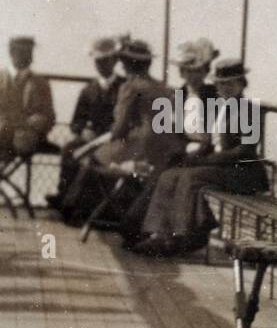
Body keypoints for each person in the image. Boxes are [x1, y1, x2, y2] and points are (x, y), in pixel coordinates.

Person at [128, 56, 268, 256]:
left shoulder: (249, 110)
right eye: (220, 84)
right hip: (220, 167)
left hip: (243, 172)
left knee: (190, 178)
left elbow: (244, 152)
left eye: (230, 83)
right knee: (170, 175)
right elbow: (210, 142)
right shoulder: (219, 107)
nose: (224, 88)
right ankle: (159, 234)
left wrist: (204, 160)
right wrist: (194, 156)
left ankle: (182, 238)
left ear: (241, 84)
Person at [60, 37, 183, 227]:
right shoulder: (165, 88)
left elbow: (118, 130)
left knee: (90, 158)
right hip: (165, 151)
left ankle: (72, 210)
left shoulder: (130, 87)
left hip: (142, 147)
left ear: (125, 64)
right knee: (91, 154)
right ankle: (96, 210)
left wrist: (97, 141)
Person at [47, 37, 124, 210]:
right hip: (91, 139)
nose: (101, 65)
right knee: (69, 149)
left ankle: (85, 204)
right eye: (98, 61)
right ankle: (63, 196)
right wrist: (82, 131)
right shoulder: (88, 90)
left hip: (115, 140)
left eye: (105, 60)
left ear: (114, 61)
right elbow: (76, 122)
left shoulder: (124, 87)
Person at [0, 35, 56, 163]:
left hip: (26, 136)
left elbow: (50, 116)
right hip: (3, 131)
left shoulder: (41, 83)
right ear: (11, 52)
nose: (27, 56)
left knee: (23, 140)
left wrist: (42, 120)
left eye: (29, 51)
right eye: (21, 51)